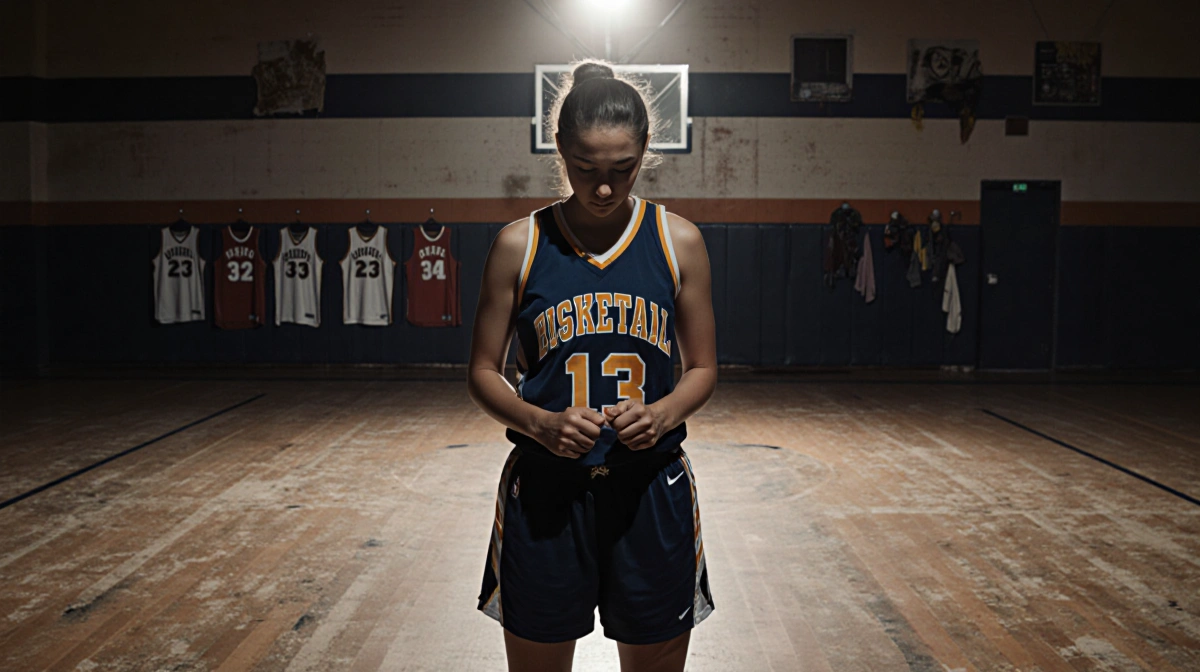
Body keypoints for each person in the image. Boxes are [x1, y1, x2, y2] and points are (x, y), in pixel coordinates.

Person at [466, 59, 717, 672]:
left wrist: (661, 414)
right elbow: (482, 371)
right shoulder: (518, 245)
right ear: (559, 150)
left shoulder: (677, 240)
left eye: (622, 170)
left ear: (646, 151)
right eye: (586, 170)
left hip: (650, 490)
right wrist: (538, 423)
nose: (604, 188)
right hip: (547, 493)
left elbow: (704, 367)